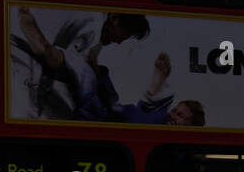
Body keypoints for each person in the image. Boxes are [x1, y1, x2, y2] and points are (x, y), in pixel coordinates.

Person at [17, 7, 150, 121]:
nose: (118, 42)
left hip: (93, 98)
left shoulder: (96, 24)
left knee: (88, 80)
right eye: (119, 35)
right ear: (114, 18)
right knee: (85, 77)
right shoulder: (93, 29)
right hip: (46, 64)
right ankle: (45, 48)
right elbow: (72, 67)